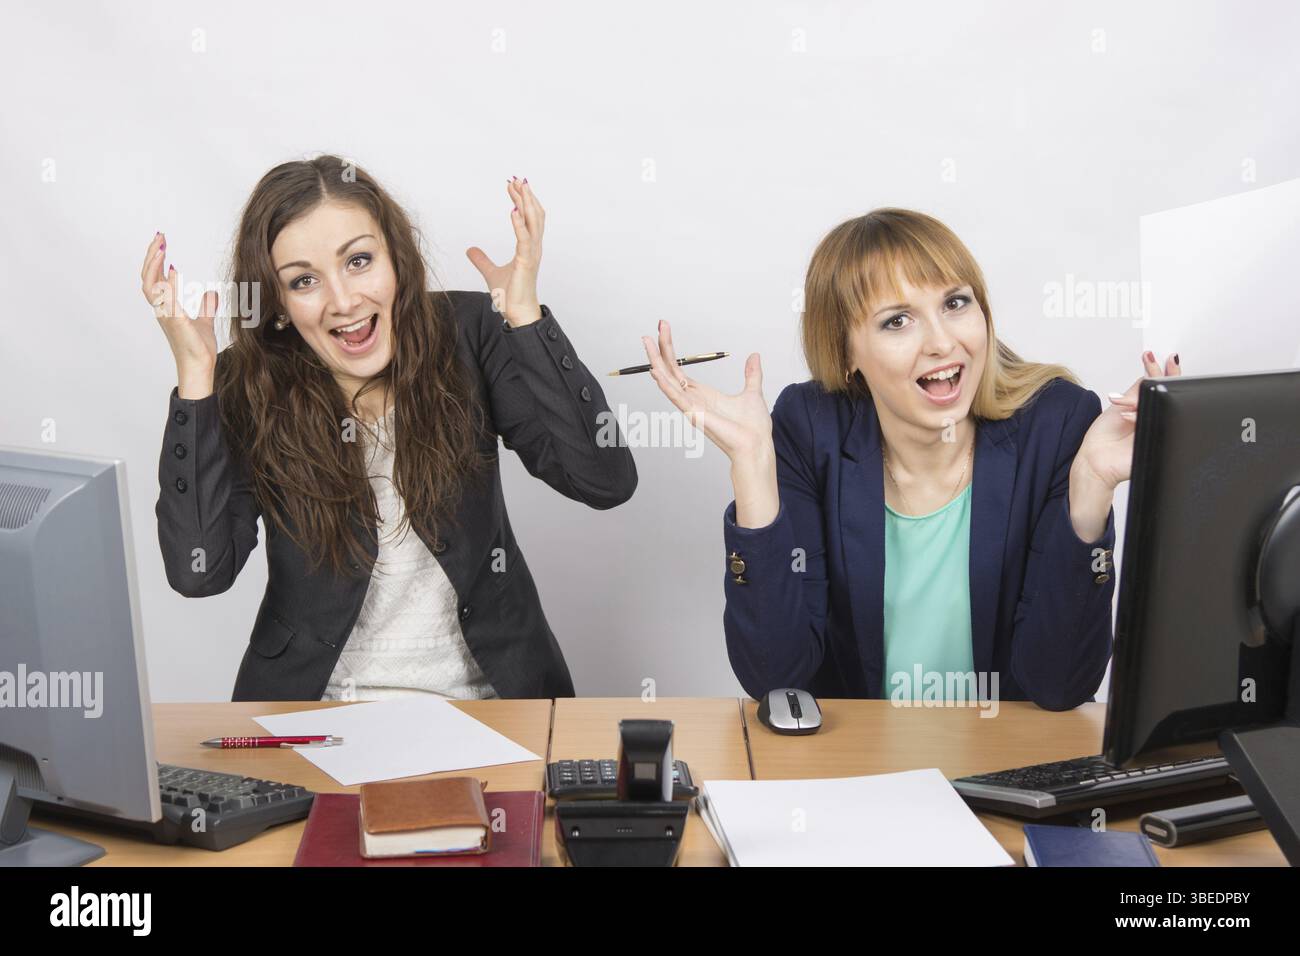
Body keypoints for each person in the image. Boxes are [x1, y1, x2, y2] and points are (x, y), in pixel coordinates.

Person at [640, 208, 1179, 710]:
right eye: (897, 321)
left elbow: (1059, 685)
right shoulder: (811, 429)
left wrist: (1091, 484)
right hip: (865, 777)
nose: (942, 342)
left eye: (955, 303)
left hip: (1007, 774)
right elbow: (776, 677)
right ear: (847, 351)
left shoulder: (1057, 423)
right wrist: (754, 465)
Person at [145, 156, 636, 702]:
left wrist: (525, 317)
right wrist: (196, 379)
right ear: (279, 306)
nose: (344, 300)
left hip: (493, 710)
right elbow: (200, 572)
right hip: (314, 716)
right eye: (304, 280)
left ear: (396, 260)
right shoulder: (245, 381)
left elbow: (604, 481)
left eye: (358, 260)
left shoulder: (470, 333)